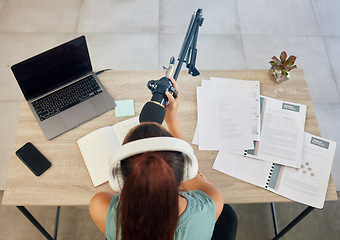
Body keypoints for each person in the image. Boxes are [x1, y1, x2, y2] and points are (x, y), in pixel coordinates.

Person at [89, 77, 237, 239]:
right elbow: (196, 180)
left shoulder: (100, 206)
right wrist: (173, 121)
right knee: (228, 217)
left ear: (119, 179)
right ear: (185, 171)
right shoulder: (211, 204)